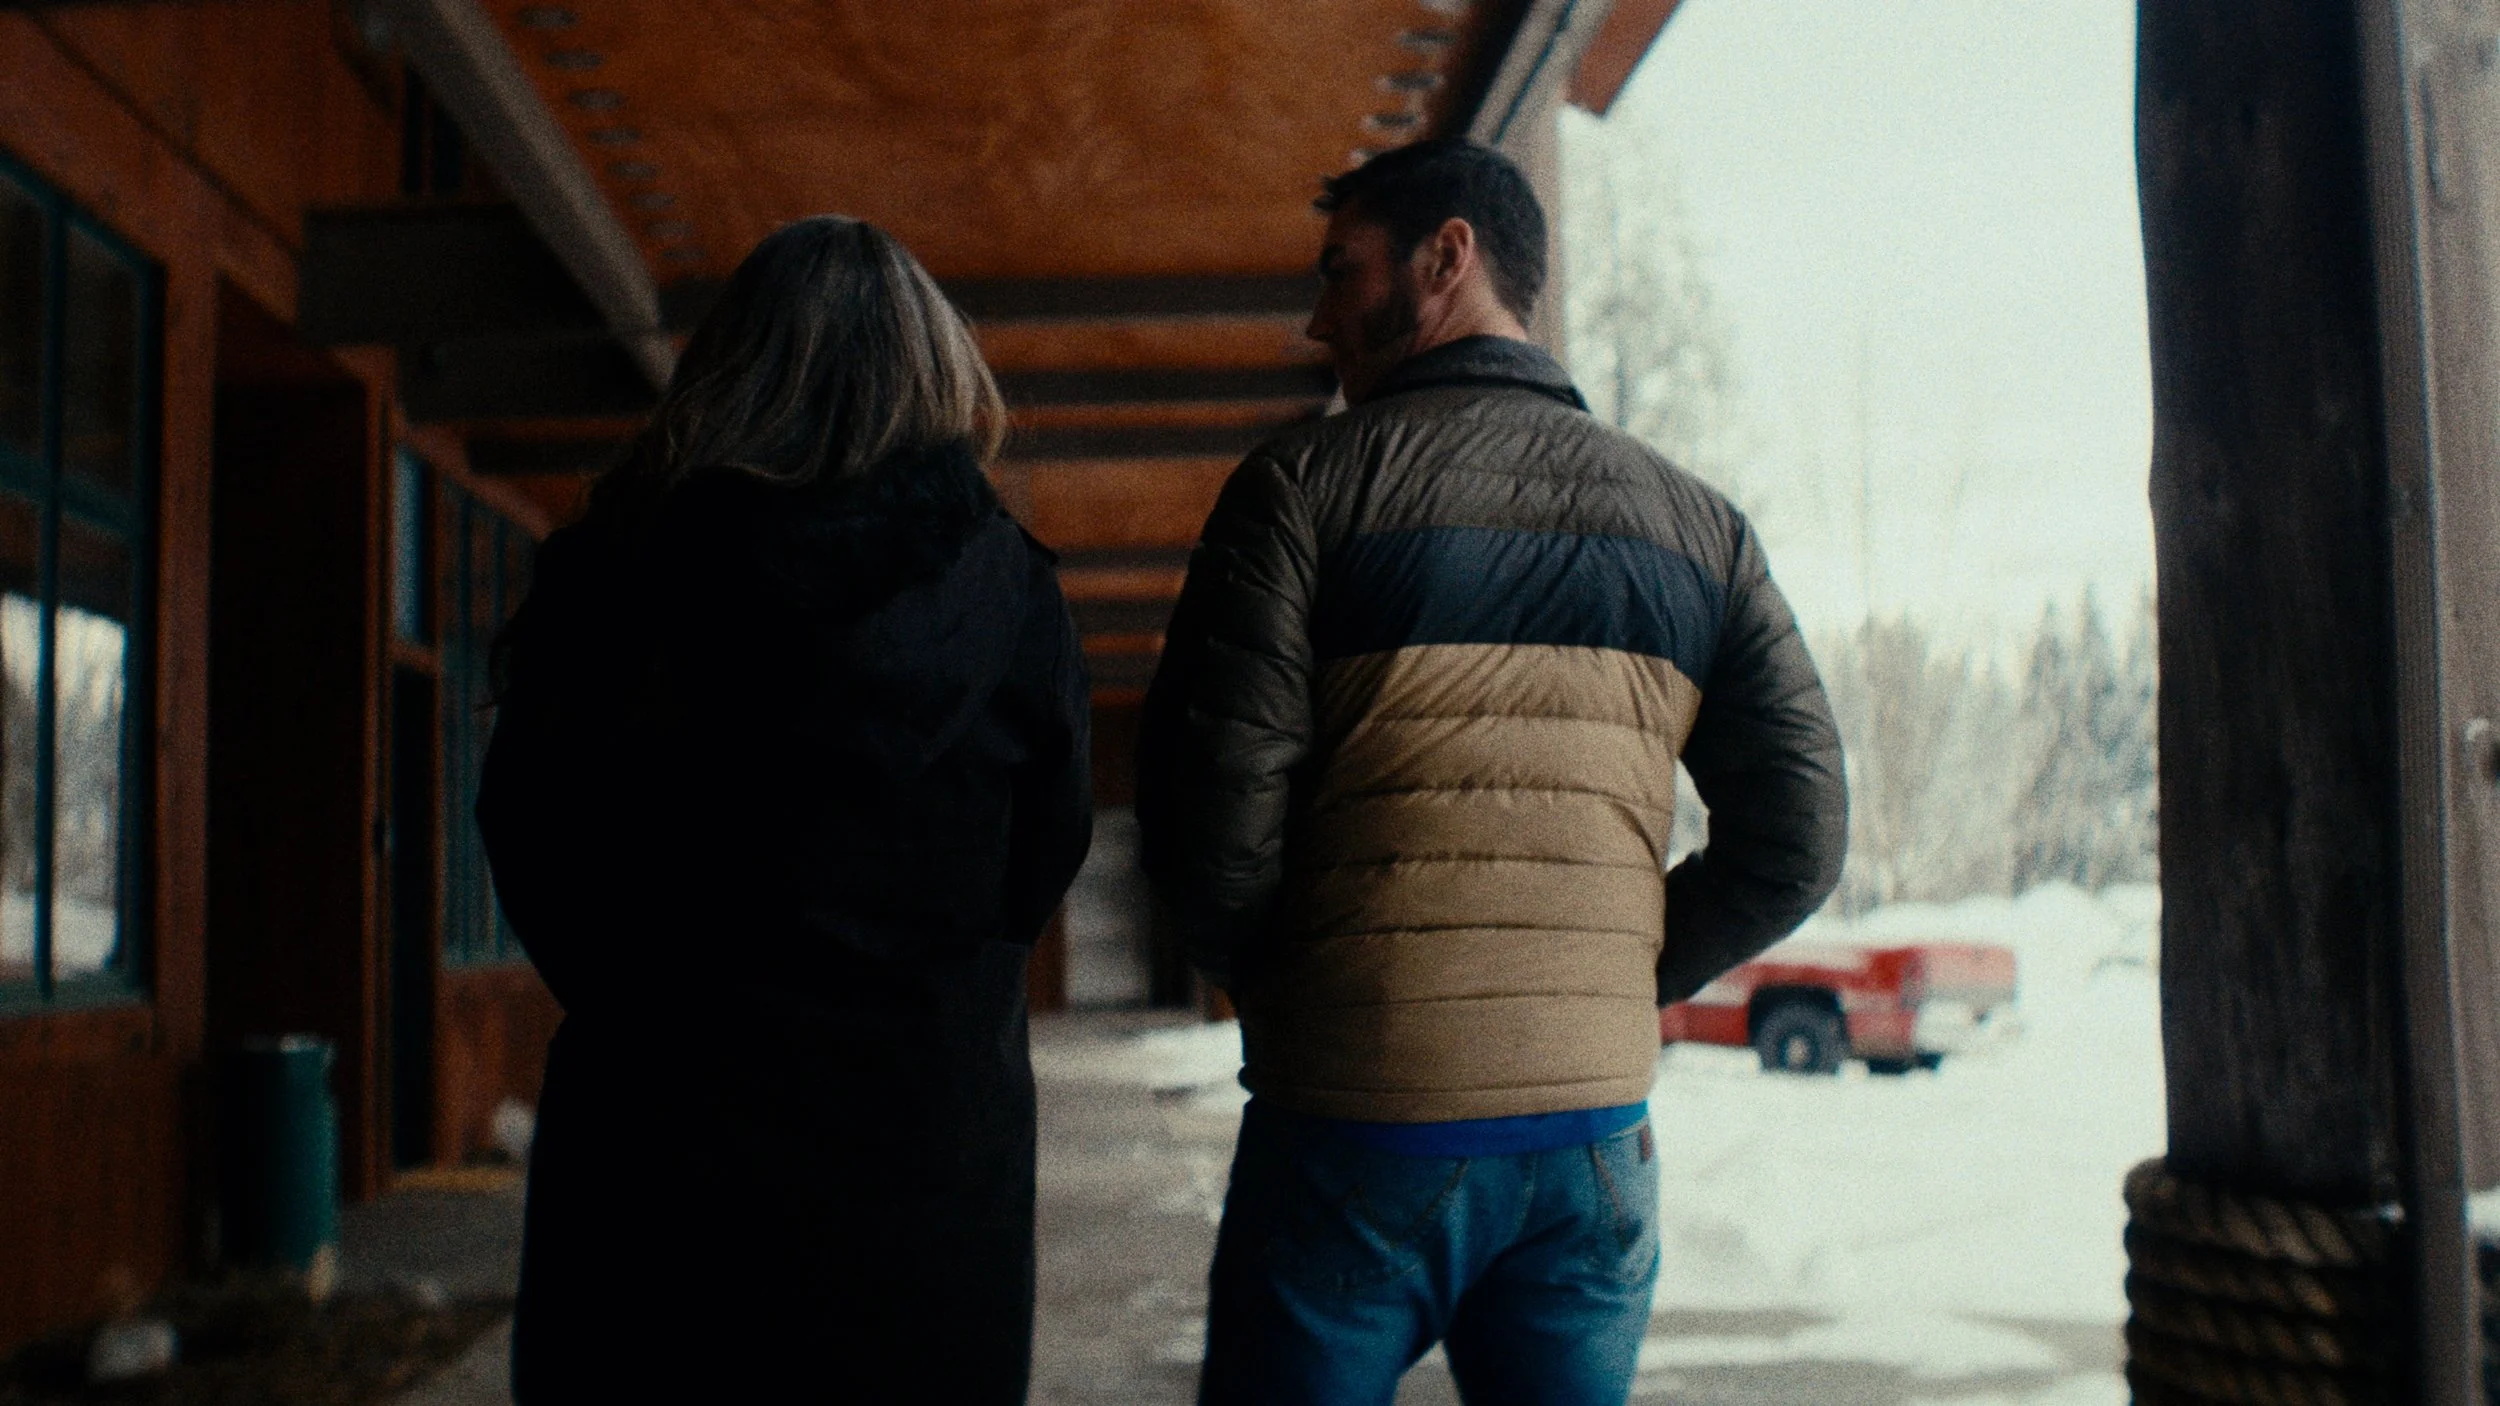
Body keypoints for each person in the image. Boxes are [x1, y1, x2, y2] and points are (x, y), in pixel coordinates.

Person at [1137, 139, 1848, 1405]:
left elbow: (1208, 829)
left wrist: (1311, 995)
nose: (1315, 316)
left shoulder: (1300, 490)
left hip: (1357, 1119)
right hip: (1592, 1143)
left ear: (1446, 256)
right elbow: (1796, 836)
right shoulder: (1698, 525)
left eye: (1339, 270)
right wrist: (1612, 977)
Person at [476, 216, 1093, 1404]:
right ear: (937, 372)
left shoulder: (612, 576)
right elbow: (1042, 854)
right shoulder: (1011, 595)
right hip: (926, 1151)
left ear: (728, 367)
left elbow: (530, 832)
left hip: (656, 1146)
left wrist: (645, 994)